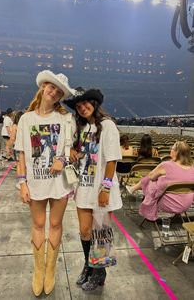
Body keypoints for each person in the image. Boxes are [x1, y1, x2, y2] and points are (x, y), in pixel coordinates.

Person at [14, 70, 75, 296]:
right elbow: (20, 155)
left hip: (59, 183)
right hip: (35, 182)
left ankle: (51, 270)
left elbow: (71, 150)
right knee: (38, 224)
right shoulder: (26, 119)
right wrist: (22, 183)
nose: (54, 92)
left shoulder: (65, 119)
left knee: (56, 225)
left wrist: (61, 159)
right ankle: (38, 270)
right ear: (43, 87)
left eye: (59, 92)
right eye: (52, 87)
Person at [64, 87, 122, 291]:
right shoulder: (80, 129)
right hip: (84, 186)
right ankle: (89, 266)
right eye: (78, 106)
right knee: (85, 231)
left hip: (100, 188)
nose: (82, 108)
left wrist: (105, 188)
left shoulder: (107, 126)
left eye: (85, 103)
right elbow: (80, 154)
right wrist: (72, 150)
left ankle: (100, 272)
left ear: (94, 103)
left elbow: (112, 159)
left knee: (101, 232)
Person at [126, 141, 194, 221]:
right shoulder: (192, 168)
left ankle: (133, 189)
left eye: (172, 149)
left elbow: (151, 176)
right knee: (161, 181)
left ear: (176, 153)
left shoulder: (166, 165)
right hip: (186, 204)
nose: (170, 151)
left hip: (168, 204)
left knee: (150, 180)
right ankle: (133, 189)